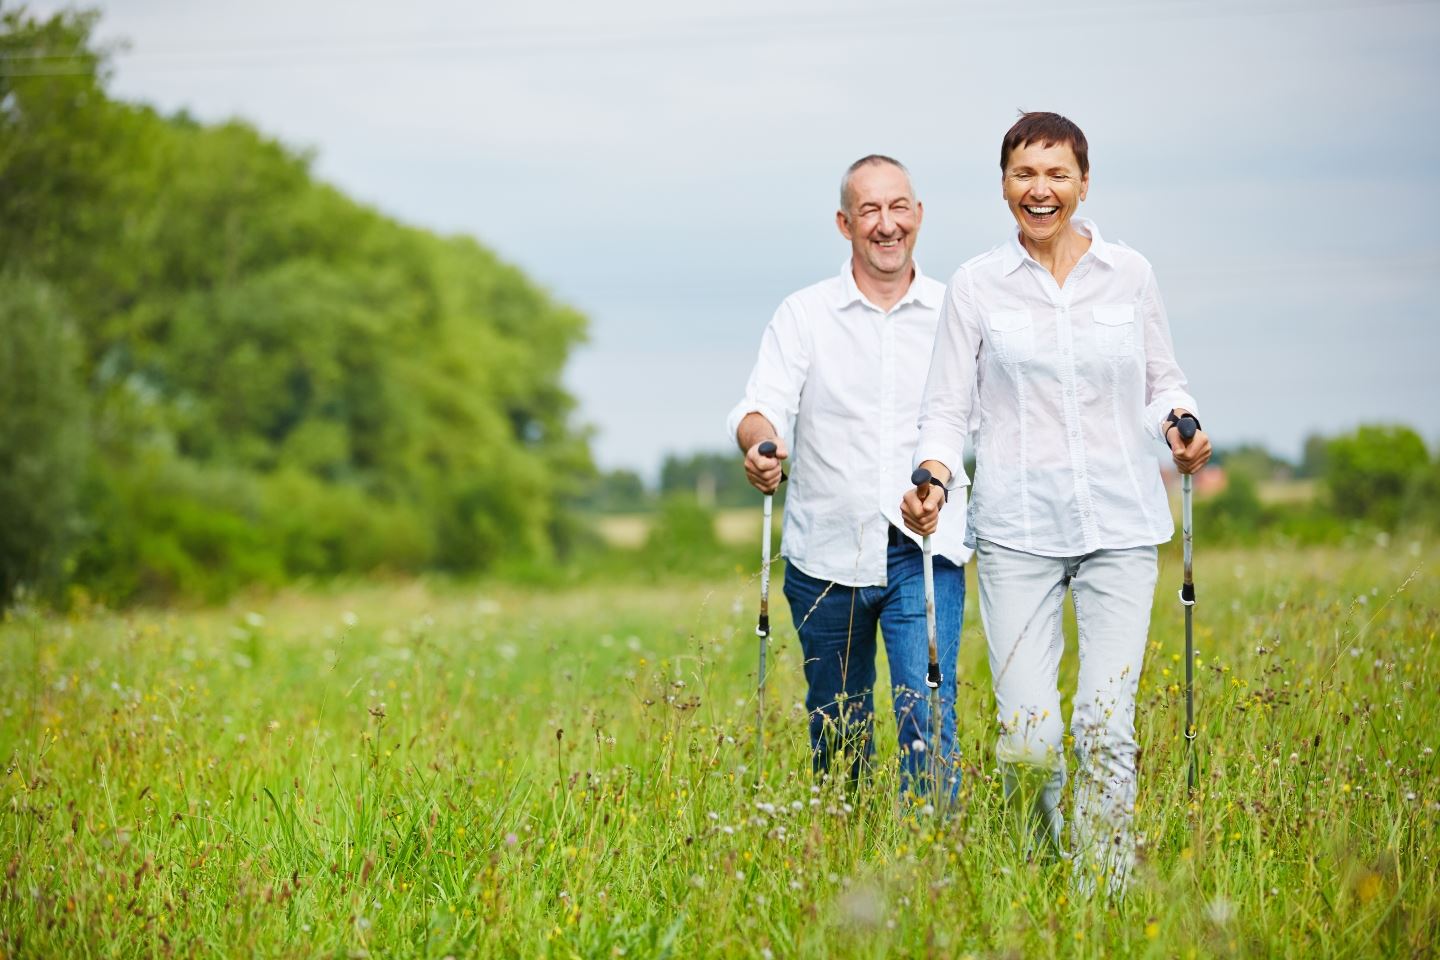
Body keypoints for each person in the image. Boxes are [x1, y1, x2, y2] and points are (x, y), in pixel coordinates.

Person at [901, 112, 1211, 891]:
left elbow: (1160, 381)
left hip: (1119, 524)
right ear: (1004, 184)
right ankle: (1042, 868)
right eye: (1023, 175)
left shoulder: (1129, 274)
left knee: (1106, 726)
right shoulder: (975, 286)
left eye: (1056, 175)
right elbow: (944, 408)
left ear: (1082, 182)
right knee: (1029, 736)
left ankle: (1101, 892)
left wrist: (1182, 422)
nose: (1040, 191)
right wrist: (932, 477)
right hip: (1017, 532)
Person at [727, 155, 971, 797]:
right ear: (845, 223)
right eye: (870, 210)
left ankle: (931, 859)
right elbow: (761, 407)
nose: (886, 225)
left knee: (927, 712)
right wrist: (761, 446)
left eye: (898, 208)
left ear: (918, 215)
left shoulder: (956, 310)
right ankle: (845, 853)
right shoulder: (804, 314)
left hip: (925, 547)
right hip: (826, 551)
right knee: (839, 725)